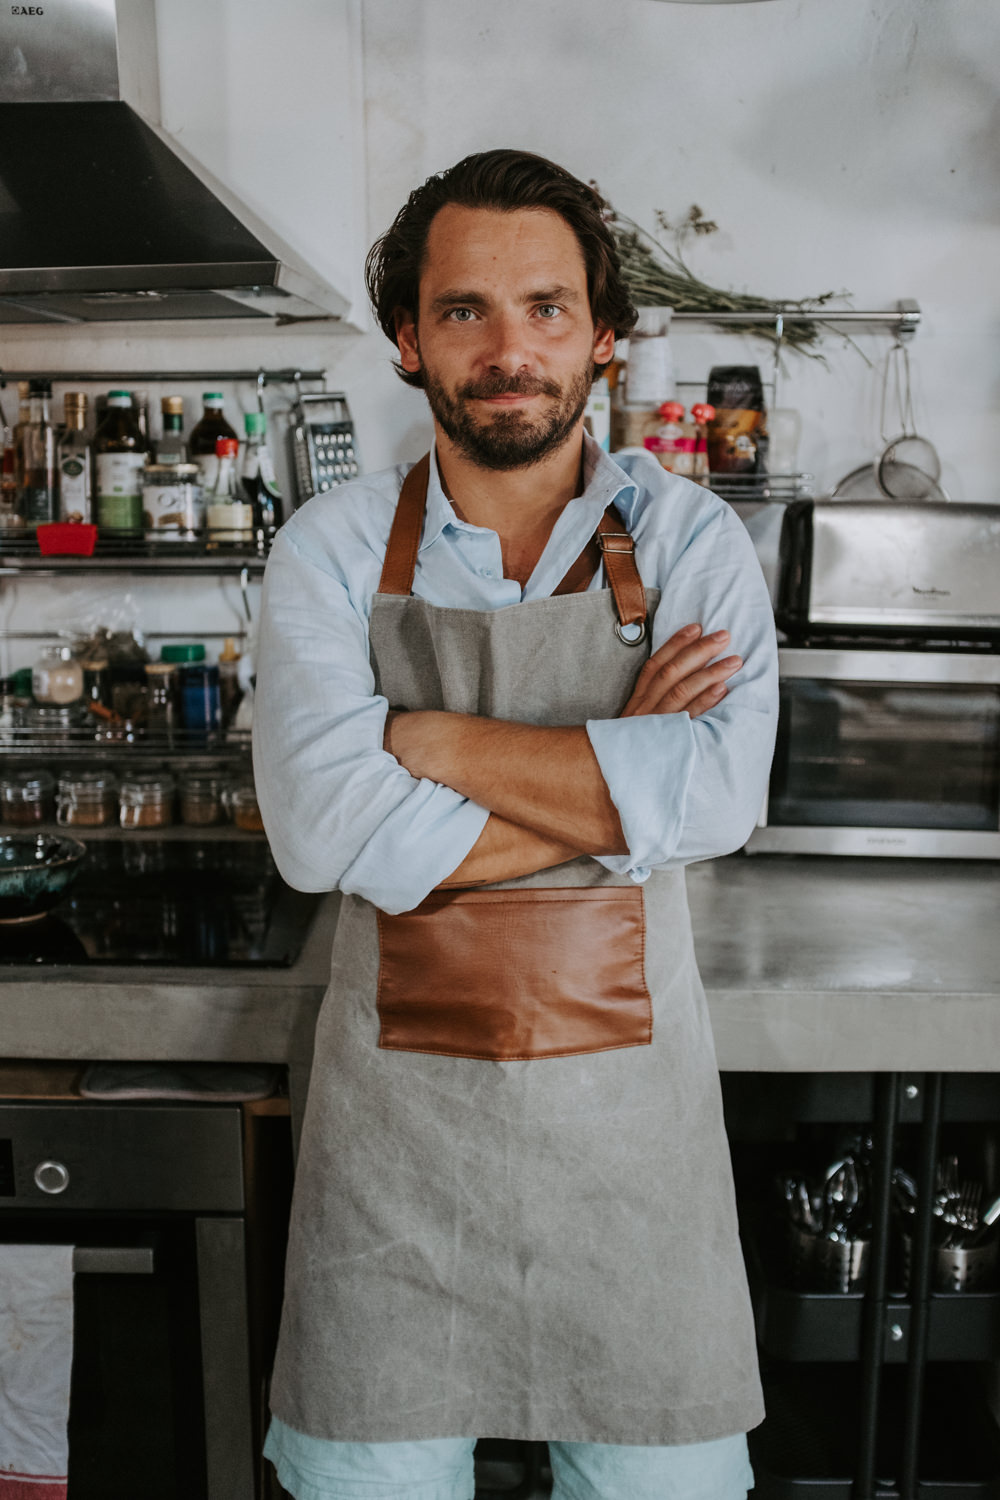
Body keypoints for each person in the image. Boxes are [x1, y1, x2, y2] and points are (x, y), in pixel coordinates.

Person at [253, 148, 778, 1500]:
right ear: (408, 340)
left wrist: (429, 745)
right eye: (465, 311)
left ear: (606, 339)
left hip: (632, 1165)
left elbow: (720, 797)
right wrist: (622, 786)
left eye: (546, 308)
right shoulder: (327, 546)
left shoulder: (688, 541)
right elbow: (322, 838)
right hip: (394, 1177)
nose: (509, 349)